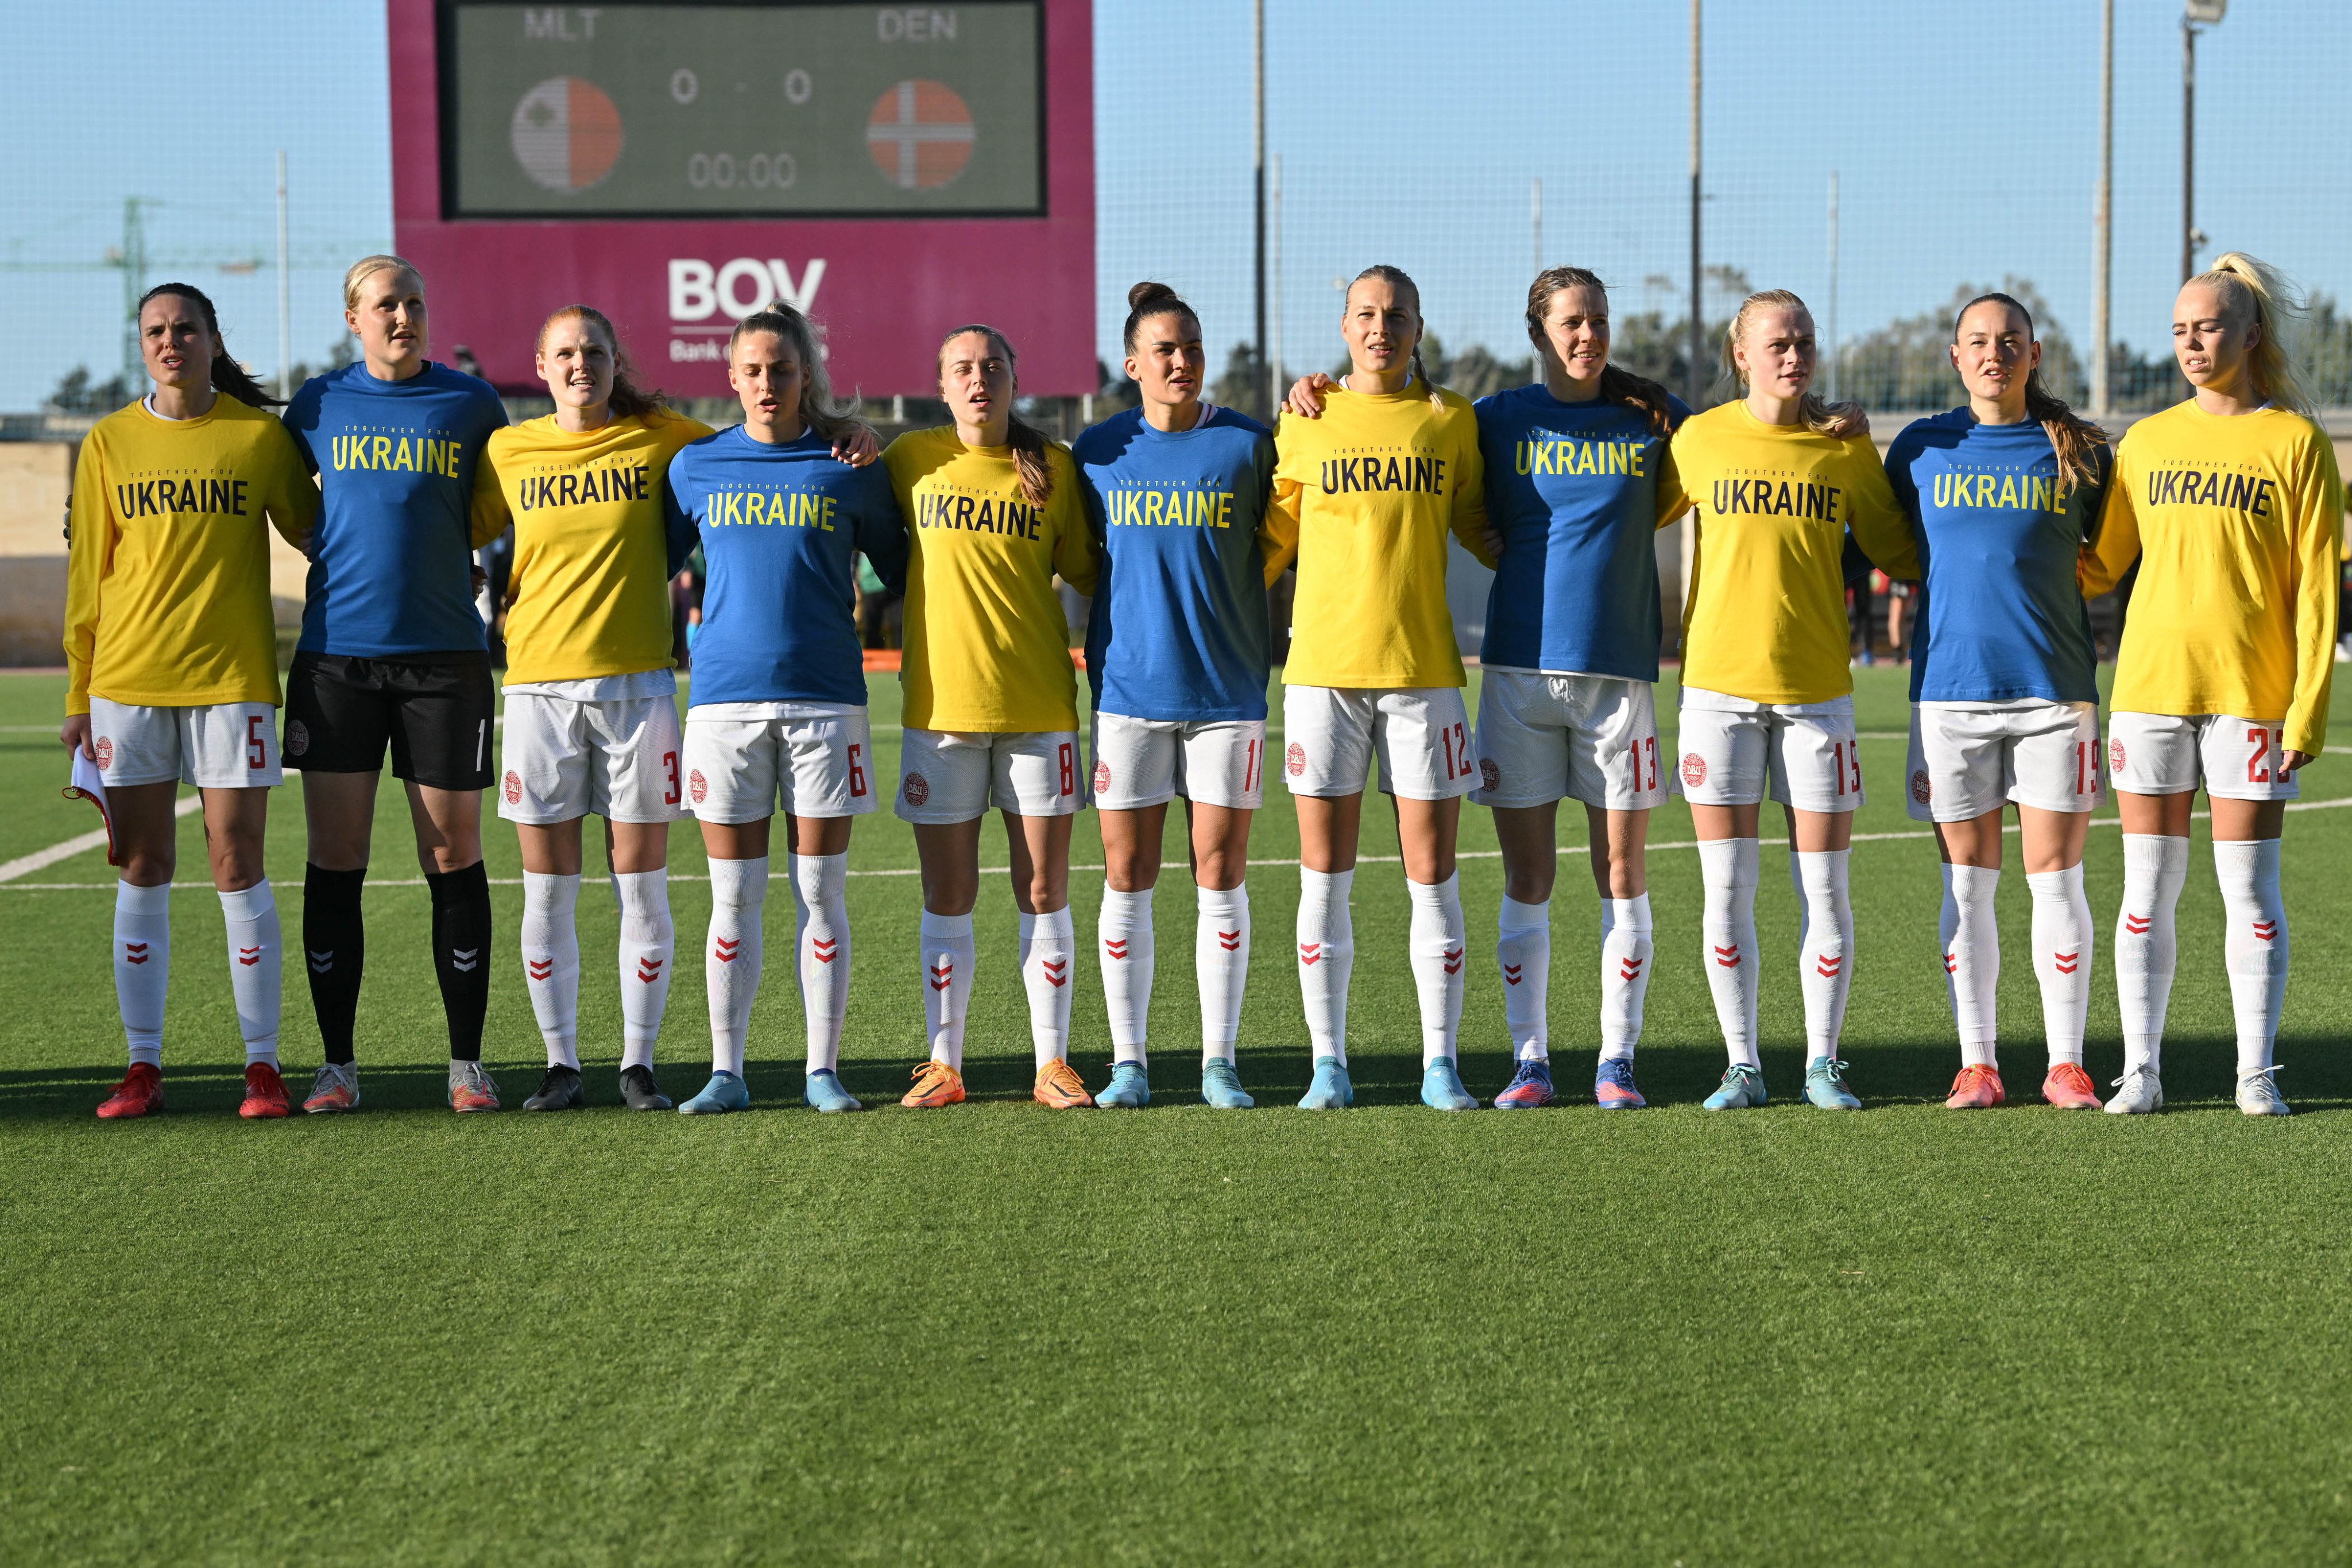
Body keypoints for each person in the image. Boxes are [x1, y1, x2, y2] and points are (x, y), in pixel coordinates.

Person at [1287, 266, 1687, 1109]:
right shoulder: (1485, 419)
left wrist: (1834, 423)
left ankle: (1616, 1063)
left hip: (1612, 677)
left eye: (1598, 321)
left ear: (1419, 327)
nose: (1587, 336)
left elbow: (1733, 444)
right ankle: (1528, 1062)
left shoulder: (1643, 422)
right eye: (1571, 322)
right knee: (1523, 876)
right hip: (1509, 670)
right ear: (1538, 331)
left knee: (1620, 874)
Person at [2081, 253, 2343, 1116]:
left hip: (2253, 700)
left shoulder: (2295, 442)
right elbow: (2100, 565)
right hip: (2150, 693)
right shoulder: (2147, 442)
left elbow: (2316, 591)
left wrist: (2308, 706)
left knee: (2250, 892)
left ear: (2250, 335)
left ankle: (2255, 1072)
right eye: (2181, 330)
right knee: (2146, 891)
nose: (2193, 343)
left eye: (2210, 327)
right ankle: (2143, 1072)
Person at [62, 282, 319, 1119]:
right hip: (126, 684)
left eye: (185, 329)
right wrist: (77, 691)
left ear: (214, 339)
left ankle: (263, 1068)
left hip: (232, 682)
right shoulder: (108, 442)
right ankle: (142, 1068)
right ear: (142, 346)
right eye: (155, 332)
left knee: (237, 865)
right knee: (144, 867)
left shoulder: (258, 437)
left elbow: (322, 535)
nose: (170, 341)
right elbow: (87, 577)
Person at [1669, 288, 1917, 1111]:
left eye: (1805, 341)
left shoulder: (1842, 449)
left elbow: (1900, 550)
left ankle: (1822, 1061)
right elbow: (1620, 511)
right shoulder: (1697, 440)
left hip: (1819, 696)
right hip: (1716, 694)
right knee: (1727, 888)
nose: (1794, 355)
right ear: (1741, 353)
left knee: (1826, 887)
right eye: (1777, 342)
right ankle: (1742, 1063)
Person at [280, 255, 510, 1113]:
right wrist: (334, 549)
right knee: (337, 858)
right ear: (354, 318)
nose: (402, 316)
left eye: (414, 301)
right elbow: (288, 499)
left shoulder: (470, 403)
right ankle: (337, 1066)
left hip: (446, 661)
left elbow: (499, 498)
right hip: (338, 660)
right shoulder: (317, 404)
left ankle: (466, 1065)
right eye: (386, 305)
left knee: (452, 854)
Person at [1262, 265, 1492, 1111]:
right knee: (1325, 877)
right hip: (1321, 676)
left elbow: (1485, 529)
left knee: (1432, 878)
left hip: (1424, 677)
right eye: (1365, 314)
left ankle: (1441, 1064)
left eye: (1396, 315)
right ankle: (1331, 1064)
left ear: (1418, 328)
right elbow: (1268, 545)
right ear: (1345, 325)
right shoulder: (1305, 419)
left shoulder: (1450, 422)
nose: (1380, 327)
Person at [664, 308, 903, 1114]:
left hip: (826, 701)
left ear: (808, 377)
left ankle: (820, 1071)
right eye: (754, 370)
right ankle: (726, 1073)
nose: (768, 383)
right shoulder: (695, 467)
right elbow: (647, 559)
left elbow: (902, 568)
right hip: (723, 707)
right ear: (731, 378)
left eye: (784, 370)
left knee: (820, 891)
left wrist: (864, 435)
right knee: (732, 897)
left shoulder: (851, 466)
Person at [473, 305, 710, 1112]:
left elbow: (757, 440)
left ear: (616, 363)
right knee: (549, 893)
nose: (581, 365)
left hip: (639, 687)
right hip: (537, 688)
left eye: (596, 352)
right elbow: (451, 526)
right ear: (541, 365)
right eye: (566, 353)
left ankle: (637, 1065)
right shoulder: (507, 449)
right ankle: (561, 1063)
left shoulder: (666, 437)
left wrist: (841, 434)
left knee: (641, 887)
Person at [1886, 292, 2113, 1112]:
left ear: (2035, 351)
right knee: (1968, 887)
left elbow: (2112, 555)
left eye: (2009, 340)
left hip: (2056, 693)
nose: (1994, 354)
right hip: (1948, 696)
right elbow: (1888, 543)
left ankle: (2065, 1064)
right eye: (1978, 342)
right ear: (1955, 356)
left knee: (2057, 882)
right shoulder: (1920, 447)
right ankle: (1977, 1063)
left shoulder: (2080, 452)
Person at [884, 325, 1098, 1109]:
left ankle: (1052, 1064)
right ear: (941, 384)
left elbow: (1088, 570)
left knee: (1043, 888)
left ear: (1016, 380)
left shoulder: (1056, 470)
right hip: (940, 713)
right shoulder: (910, 460)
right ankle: (946, 1064)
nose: (980, 381)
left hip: (1040, 710)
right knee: (948, 892)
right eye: (964, 370)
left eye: (994, 368)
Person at [1074, 282, 1277, 1109]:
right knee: (1127, 875)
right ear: (1133, 365)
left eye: (1191, 345)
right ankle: (1131, 1062)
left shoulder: (1248, 446)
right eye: (1164, 349)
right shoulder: (1095, 452)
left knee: (1219, 875)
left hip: (1229, 695)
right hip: (1126, 694)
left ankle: (1217, 1062)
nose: (1181, 360)